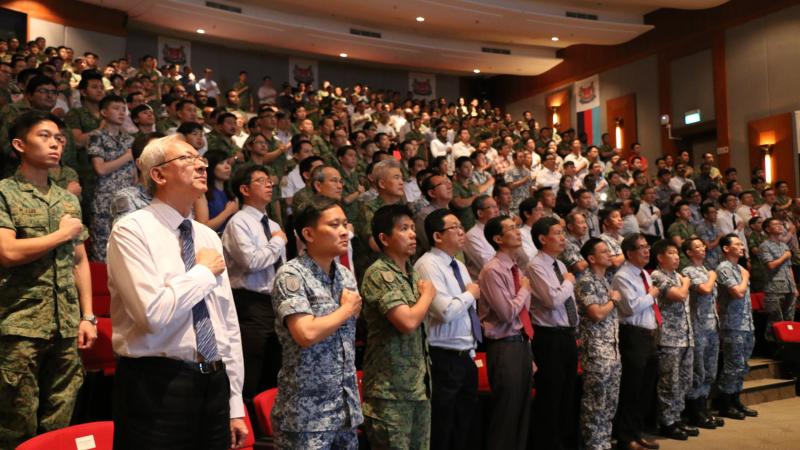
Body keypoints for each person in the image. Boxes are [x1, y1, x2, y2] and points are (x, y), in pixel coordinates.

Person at [107, 134, 248, 449]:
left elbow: (226, 323)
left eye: (201, 159)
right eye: (187, 158)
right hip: (156, 384)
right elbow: (152, 315)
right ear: (158, 174)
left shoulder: (207, 237)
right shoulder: (132, 230)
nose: (201, 165)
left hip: (214, 381)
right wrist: (202, 273)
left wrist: (234, 402)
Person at [0, 111, 96, 449]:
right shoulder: (5, 193)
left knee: (59, 424)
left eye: (59, 138)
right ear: (19, 145)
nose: (55, 143)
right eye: (44, 136)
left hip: (65, 326)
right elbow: (7, 252)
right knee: (16, 424)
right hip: (20, 324)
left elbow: (79, 260)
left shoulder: (67, 199)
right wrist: (60, 235)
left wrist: (88, 316)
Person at [271, 196, 363, 448]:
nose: (344, 231)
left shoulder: (344, 275)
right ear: (308, 234)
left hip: (344, 408)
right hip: (307, 415)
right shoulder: (291, 275)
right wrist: (345, 310)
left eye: (345, 223)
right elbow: (306, 333)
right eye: (334, 225)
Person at [360, 204, 434, 450]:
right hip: (389, 392)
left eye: (413, 228)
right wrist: (428, 296)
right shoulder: (379, 273)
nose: (413, 234)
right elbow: (408, 321)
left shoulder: (413, 274)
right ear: (384, 238)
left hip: (418, 386)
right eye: (404, 229)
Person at [414, 209, 482, 450]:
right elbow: (444, 311)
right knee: (443, 426)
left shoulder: (459, 264)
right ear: (437, 236)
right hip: (443, 356)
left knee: (464, 426)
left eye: (461, 226)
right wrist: (470, 294)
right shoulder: (428, 264)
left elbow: (466, 310)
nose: (461, 231)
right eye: (454, 227)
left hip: (466, 354)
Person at [221, 164, 286, 399]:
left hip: (275, 301)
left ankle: (270, 414)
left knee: (275, 365)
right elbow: (251, 262)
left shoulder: (274, 226)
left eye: (269, 180)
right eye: (261, 181)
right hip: (250, 302)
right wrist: (277, 242)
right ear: (245, 189)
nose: (269, 184)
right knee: (252, 365)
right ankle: (248, 414)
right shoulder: (238, 222)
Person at [478, 215, 534, 450]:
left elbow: (523, 313)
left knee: (522, 410)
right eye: (511, 228)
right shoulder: (492, 270)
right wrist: (524, 290)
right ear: (498, 239)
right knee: (506, 413)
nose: (518, 231)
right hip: (504, 345)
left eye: (517, 227)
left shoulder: (515, 268)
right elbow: (507, 313)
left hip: (521, 343)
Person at [527, 216, 579, 450]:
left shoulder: (561, 265)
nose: (562, 238)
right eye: (557, 233)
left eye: (563, 233)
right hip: (549, 337)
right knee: (551, 394)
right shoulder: (536, 265)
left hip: (567, 334)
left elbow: (568, 302)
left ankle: (563, 442)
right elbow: (553, 300)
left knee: (567, 392)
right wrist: (568, 282)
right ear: (542, 238)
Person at [612, 233, 661, 450]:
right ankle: (625, 438)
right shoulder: (622, 276)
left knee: (645, 389)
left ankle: (637, 432)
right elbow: (630, 307)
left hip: (649, 335)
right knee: (632, 388)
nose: (647, 251)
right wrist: (651, 295)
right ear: (629, 253)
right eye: (641, 247)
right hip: (633, 336)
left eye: (647, 246)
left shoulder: (644, 274)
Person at [576, 238, 622, 450]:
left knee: (610, 402)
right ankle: (593, 444)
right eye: (604, 251)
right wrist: (613, 300)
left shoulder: (605, 280)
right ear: (592, 258)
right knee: (595, 402)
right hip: (596, 351)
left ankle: (604, 441)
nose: (609, 254)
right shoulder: (586, 281)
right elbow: (596, 313)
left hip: (612, 349)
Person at [649, 240, 696, 440]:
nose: (676, 257)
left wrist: (683, 280)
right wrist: (686, 282)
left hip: (686, 336)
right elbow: (680, 295)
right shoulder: (657, 276)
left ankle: (677, 417)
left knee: (685, 380)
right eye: (671, 253)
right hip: (668, 338)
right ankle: (666, 422)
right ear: (660, 257)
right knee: (669, 383)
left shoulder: (678, 276)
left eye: (677, 253)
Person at [681, 238, 724, 430]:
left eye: (703, 245)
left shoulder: (706, 270)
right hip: (698, 327)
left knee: (710, 370)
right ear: (689, 252)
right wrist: (713, 276)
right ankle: (694, 412)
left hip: (712, 326)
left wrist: (710, 274)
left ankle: (704, 409)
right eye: (697, 246)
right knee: (698, 371)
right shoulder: (688, 271)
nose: (703, 248)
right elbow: (705, 289)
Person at [87, 94, 136, 261]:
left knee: (128, 249)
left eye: (124, 109)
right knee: (102, 251)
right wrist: (127, 156)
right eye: (116, 108)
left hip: (127, 199)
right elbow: (100, 169)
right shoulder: (97, 136)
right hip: (105, 200)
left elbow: (134, 172)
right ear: (104, 112)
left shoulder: (129, 139)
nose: (122, 113)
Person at [715, 234, 758, 420]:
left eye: (742, 244)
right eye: (737, 244)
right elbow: (737, 292)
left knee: (742, 365)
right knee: (732, 365)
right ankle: (725, 403)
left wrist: (744, 274)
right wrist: (746, 276)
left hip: (746, 323)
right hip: (732, 324)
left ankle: (736, 399)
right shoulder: (724, 268)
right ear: (726, 248)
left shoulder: (740, 268)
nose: (742, 247)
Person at [758, 218, 798, 341]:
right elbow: (770, 265)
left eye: (780, 224)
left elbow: (789, 267)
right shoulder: (764, 246)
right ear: (767, 229)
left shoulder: (784, 245)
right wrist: (785, 256)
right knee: (775, 321)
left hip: (789, 287)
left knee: (789, 320)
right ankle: (773, 346)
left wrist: (794, 287)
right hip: (774, 288)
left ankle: (788, 345)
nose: (780, 226)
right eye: (775, 224)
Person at [193, 149, 238, 233]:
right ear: (211, 166)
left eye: (228, 163)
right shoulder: (202, 192)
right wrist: (228, 211)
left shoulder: (231, 193)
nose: (227, 167)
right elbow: (203, 228)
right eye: (221, 163)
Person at [463, 194, 499, 280]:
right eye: (492, 207)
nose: (497, 210)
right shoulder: (472, 235)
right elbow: (487, 264)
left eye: (497, 206)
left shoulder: (499, 230)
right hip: (485, 282)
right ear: (480, 213)